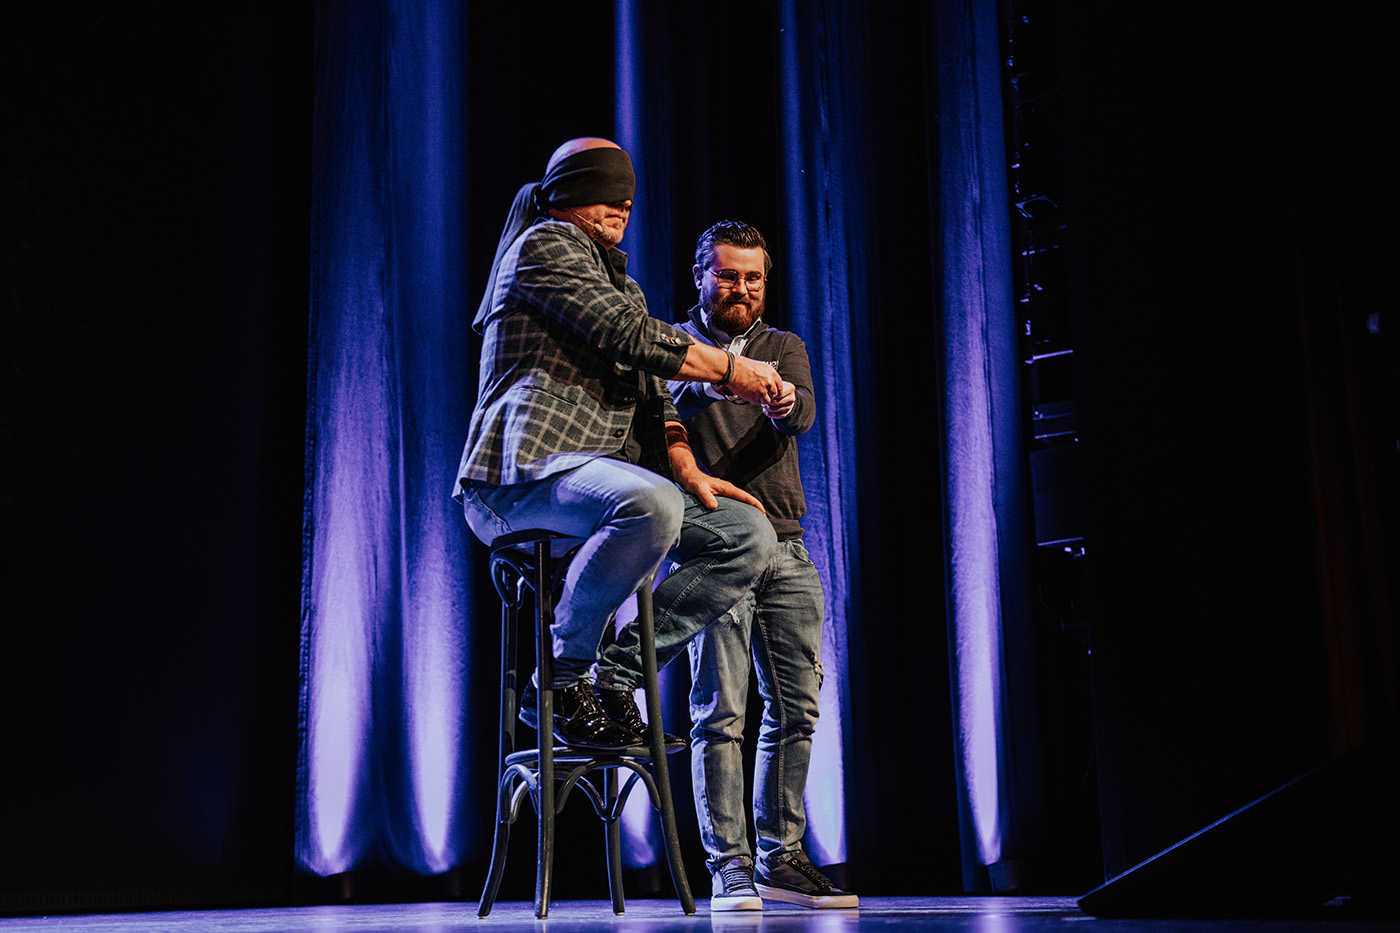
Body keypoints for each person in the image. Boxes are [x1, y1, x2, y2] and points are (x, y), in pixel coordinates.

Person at [454, 139, 783, 752]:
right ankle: (560, 680)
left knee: (746, 536)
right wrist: (731, 370)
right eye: (607, 191)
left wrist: (687, 468)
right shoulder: (544, 245)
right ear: (568, 194)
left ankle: (614, 677)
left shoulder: (624, 287)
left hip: (604, 482)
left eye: (628, 196)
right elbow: (625, 335)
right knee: (649, 504)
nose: (623, 205)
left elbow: (655, 398)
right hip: (519, 480)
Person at [668, 221, 858, 910]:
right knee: (720, 712)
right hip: (714, 546)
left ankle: (782, 856)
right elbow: (658, 419)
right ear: (700, 276)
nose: (741, 289)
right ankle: (730, 865)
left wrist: (782, 400)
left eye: (753, 278)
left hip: (786, 546)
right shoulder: (672, 345)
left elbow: (801, 414)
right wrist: (717, 381)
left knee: (797, 708)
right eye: (727, 275)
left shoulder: (783, 345)